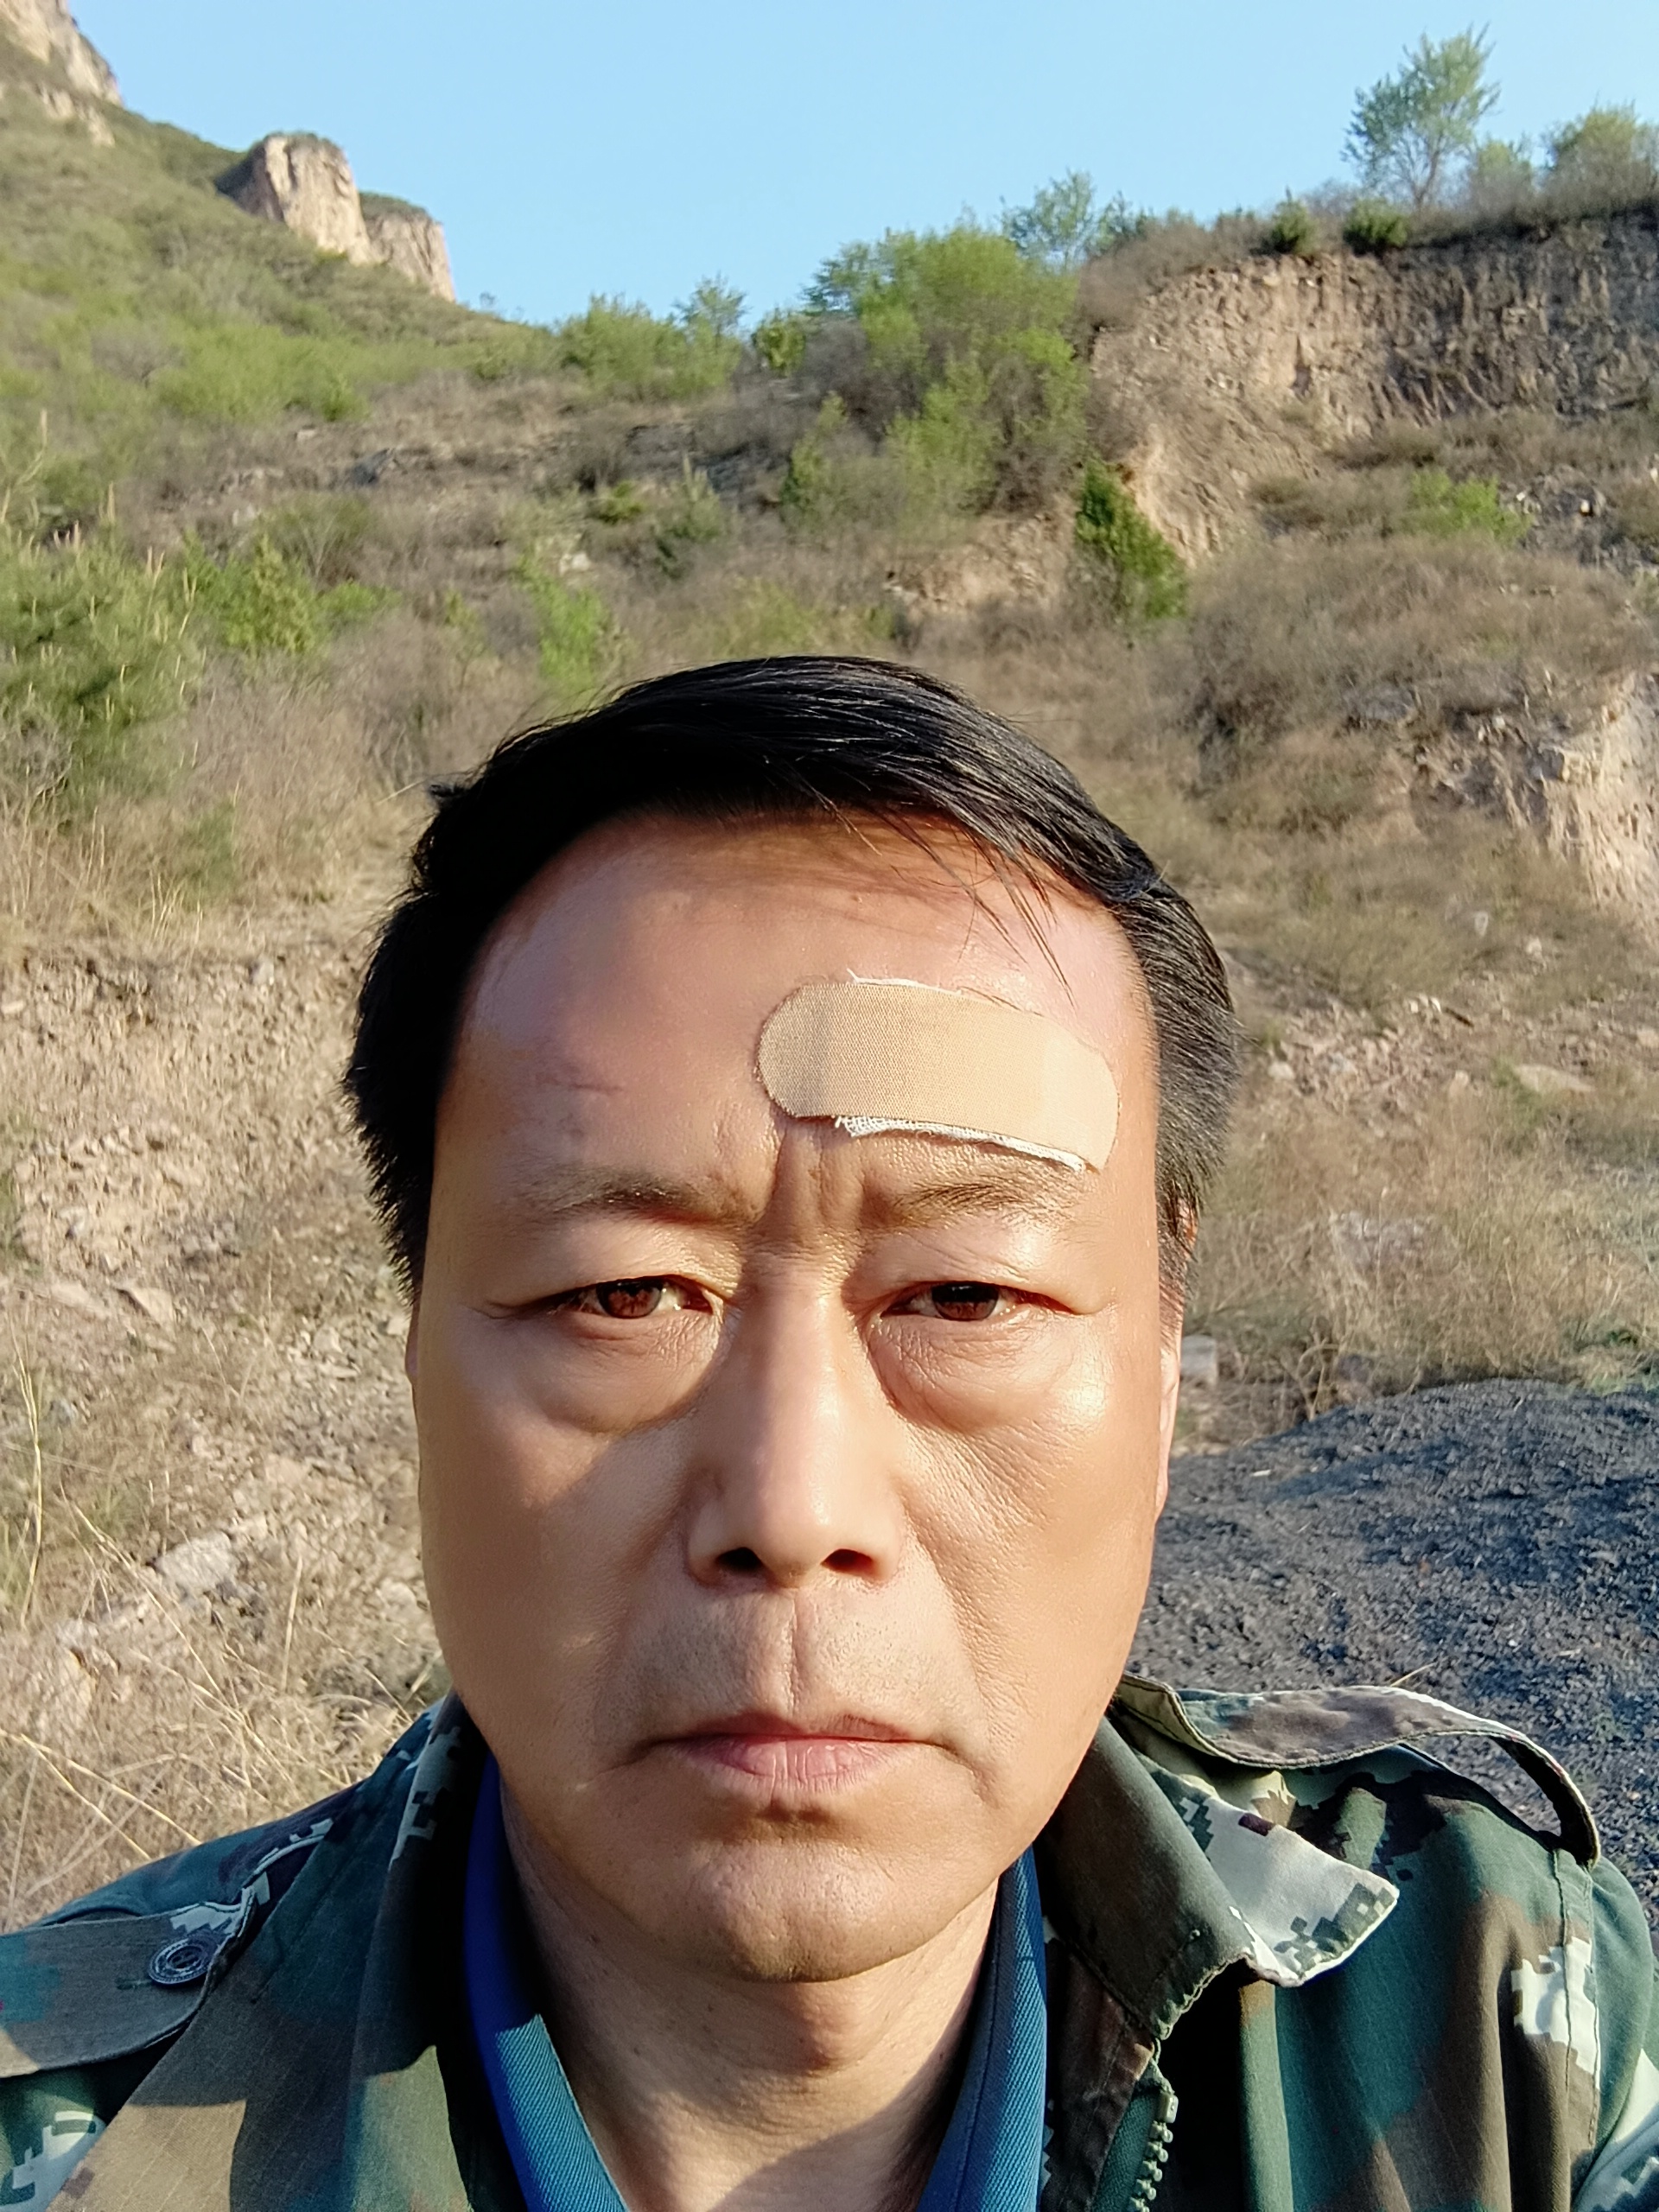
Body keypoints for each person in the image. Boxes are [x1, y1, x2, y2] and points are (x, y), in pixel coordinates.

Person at [1, 658, 1654, 2212]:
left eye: (965, 1299)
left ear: (1160, 1373)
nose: (793, 1509)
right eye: (623, 1295)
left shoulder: (1505, 2029)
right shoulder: (68, 2146)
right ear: (418, 1355)